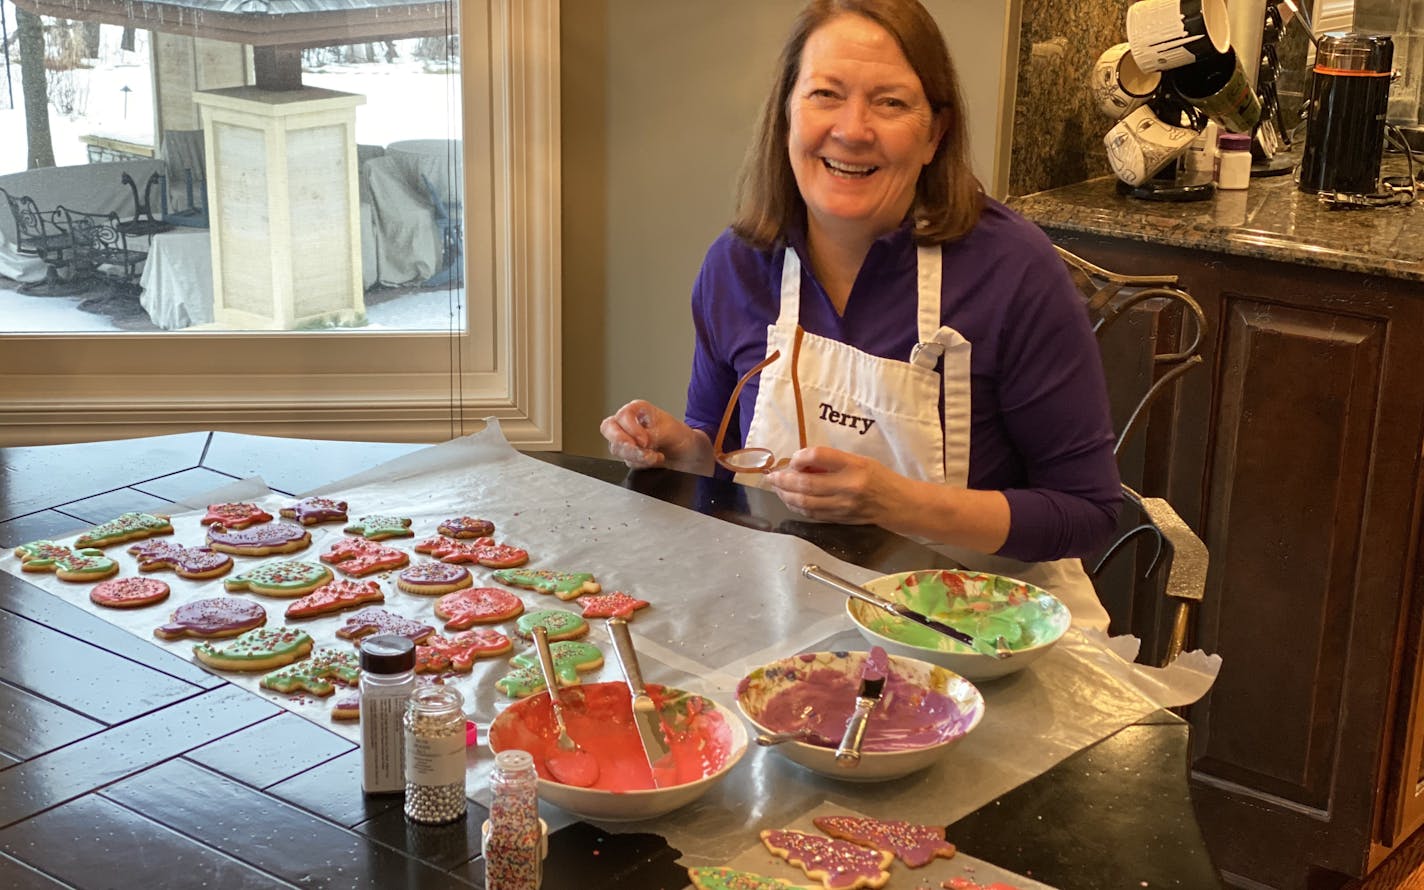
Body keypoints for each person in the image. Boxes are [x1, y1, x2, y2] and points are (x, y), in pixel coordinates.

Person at [600, 0, 1120, 629]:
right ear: (786, 114)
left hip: (986, 636)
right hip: (790, 615)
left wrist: (893, 501)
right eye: (825, 94)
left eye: (891, 103)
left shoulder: (1013, 272)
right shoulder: (736, 268)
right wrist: (682, 452)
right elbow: (724, 475)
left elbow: (1086, 514)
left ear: (936, 134)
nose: (852, 129)